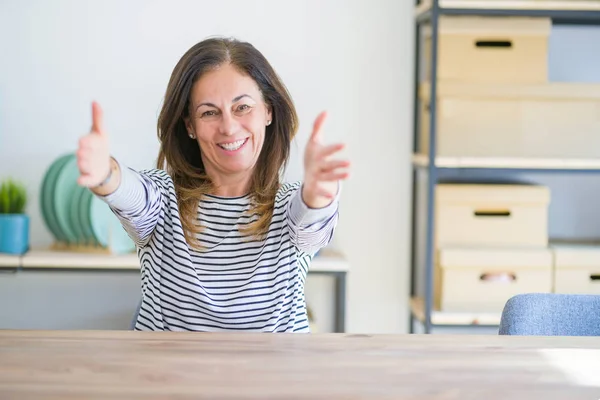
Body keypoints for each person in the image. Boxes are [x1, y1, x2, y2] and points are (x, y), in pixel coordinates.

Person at [76, 37, 350, 332]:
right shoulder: (162, 199)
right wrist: (105, 173)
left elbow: (312, 219)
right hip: (166, 376)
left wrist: (319, 191)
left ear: (268, 111)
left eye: (242, 107)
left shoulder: (290, 207)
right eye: (209, 112)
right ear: (190, 126)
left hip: (275, 377)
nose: (229, 126)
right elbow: (128, 192)